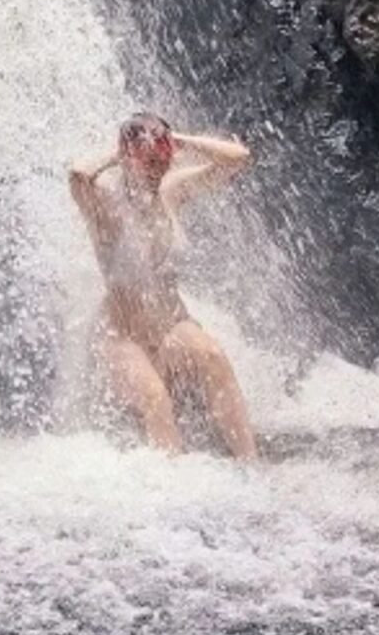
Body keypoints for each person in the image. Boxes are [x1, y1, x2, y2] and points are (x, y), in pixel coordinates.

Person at [69, 113, 258, 459]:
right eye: (150, 162)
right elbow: (79, 174)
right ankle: (172, 483)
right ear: (129, 159)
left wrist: (178, 139)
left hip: (172, 322)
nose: (159, 169)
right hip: (122, 333)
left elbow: (237, 158)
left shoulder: (170, 190)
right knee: (155, 398)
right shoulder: (105, 204)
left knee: (214, 357)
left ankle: (253, 465)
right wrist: (119, 153)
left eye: (164, 160)